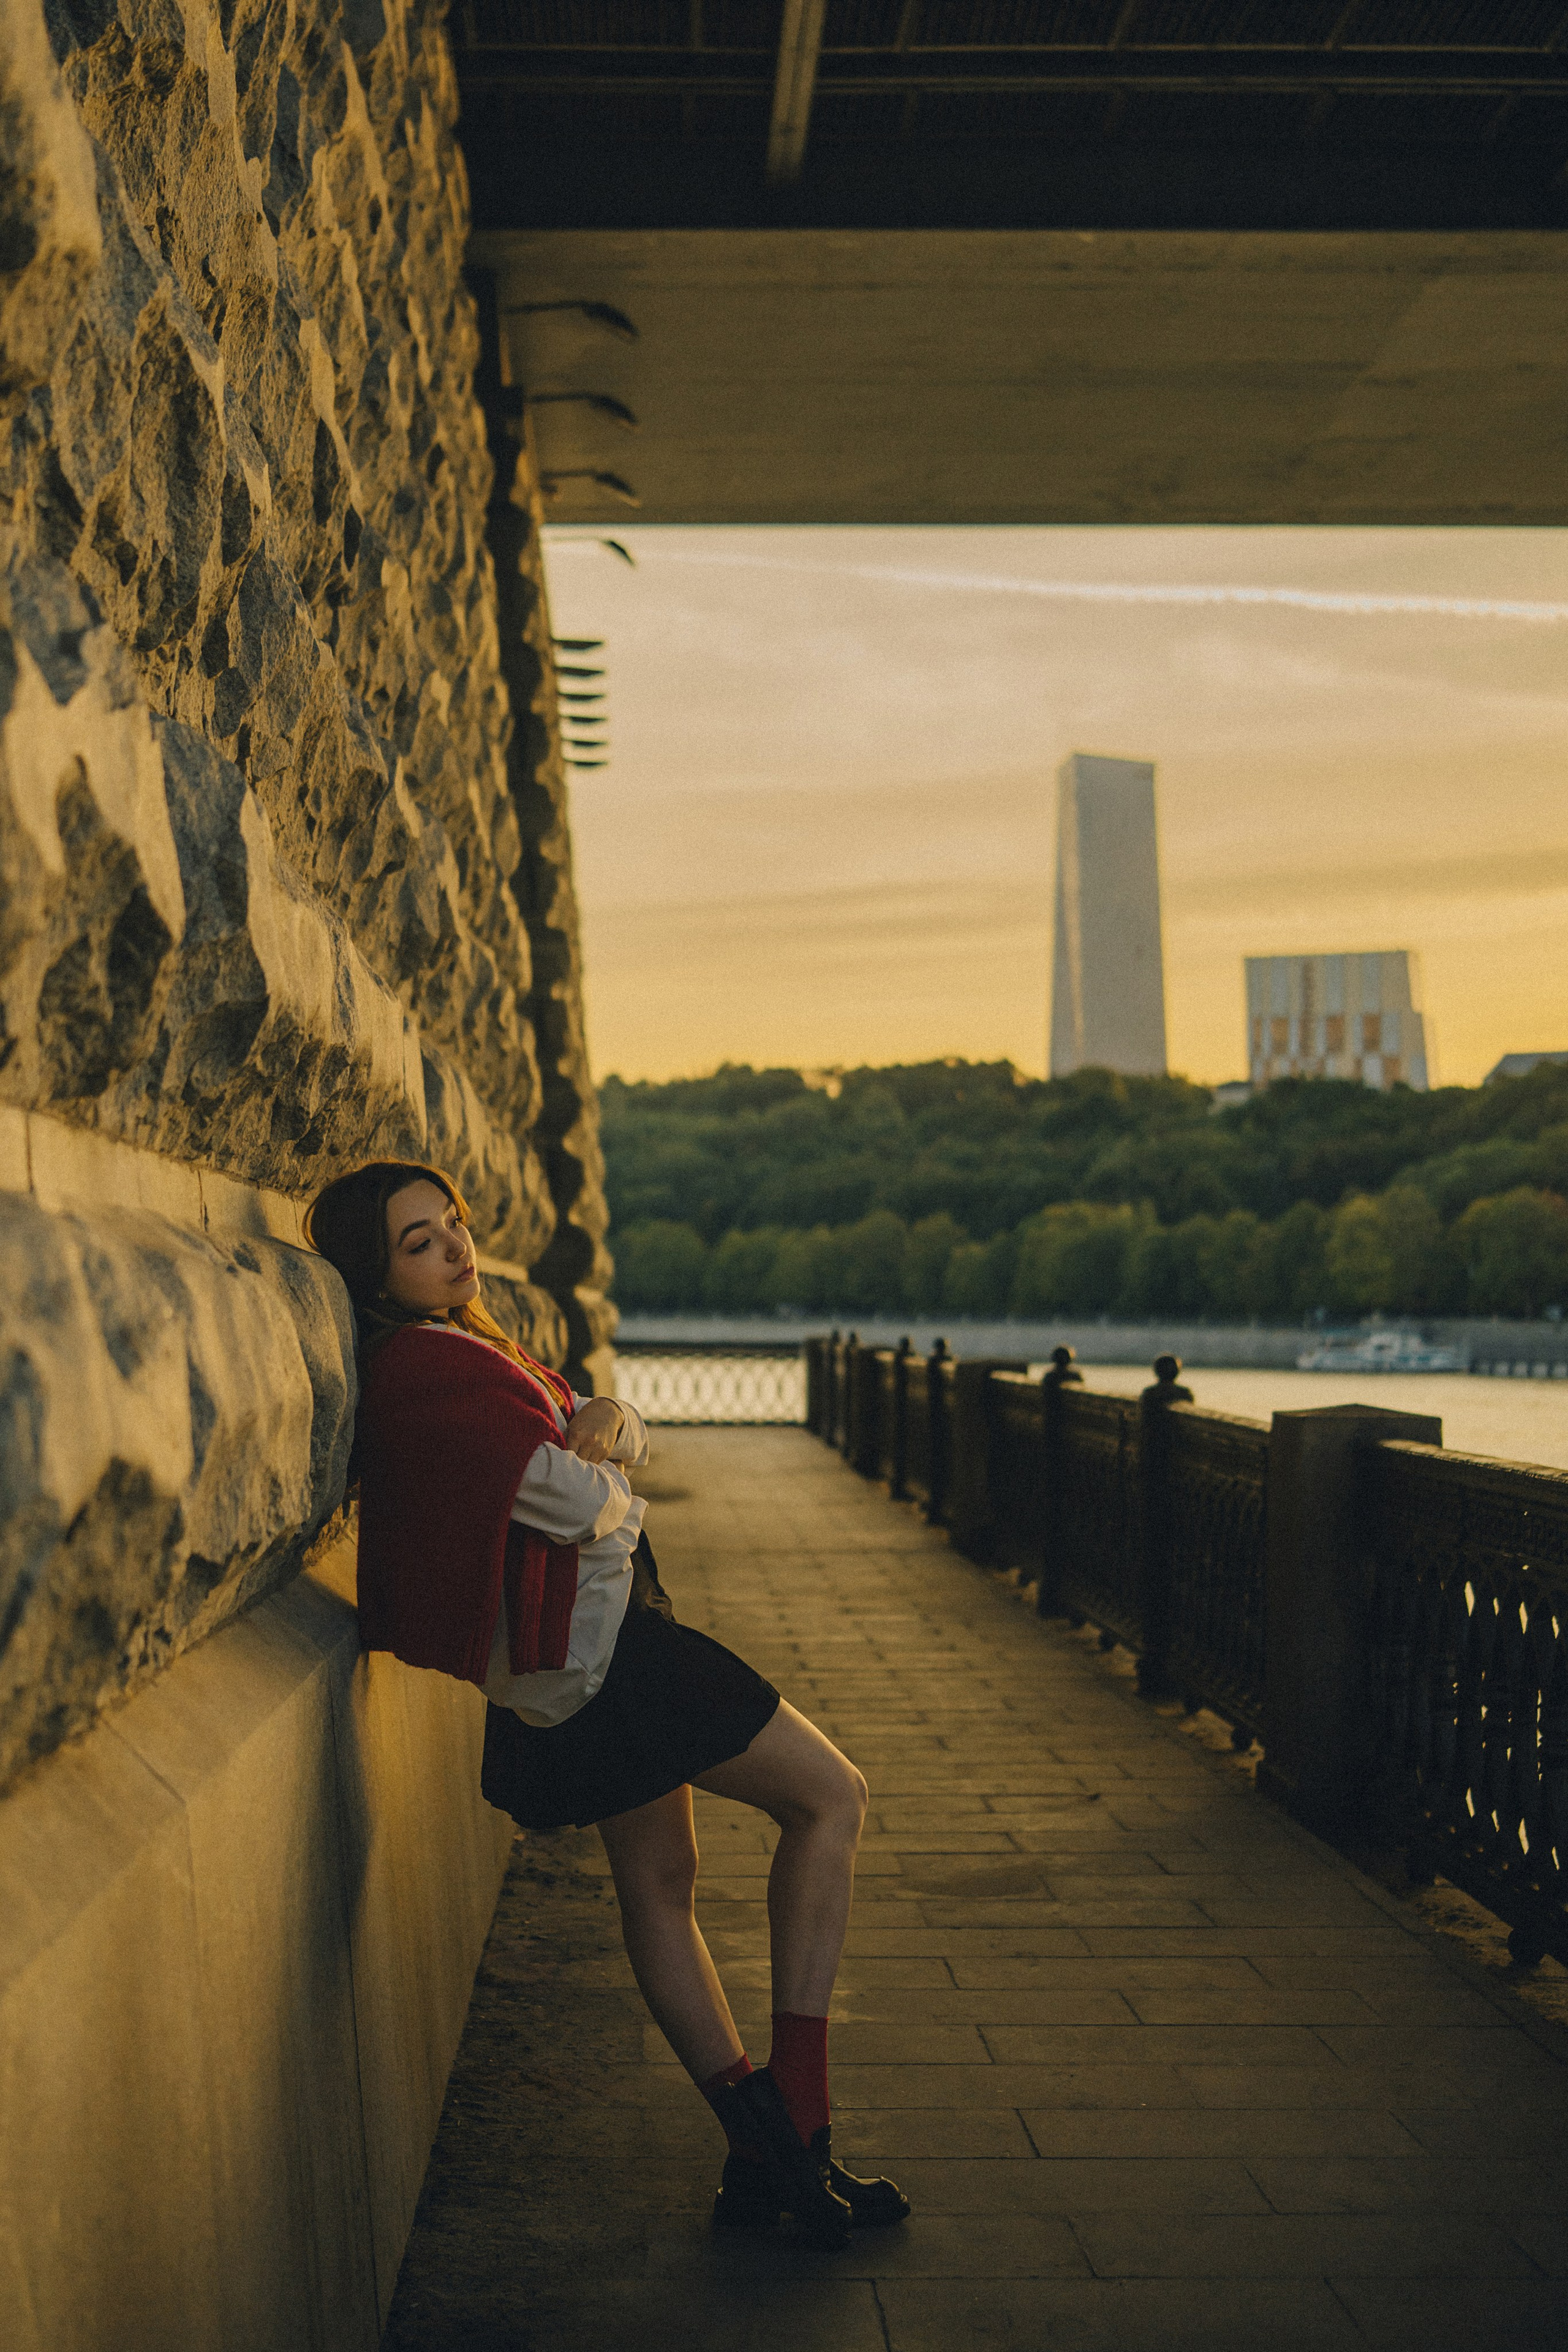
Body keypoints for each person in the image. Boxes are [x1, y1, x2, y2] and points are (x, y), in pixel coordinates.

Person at [305, 1159, 910, 2249]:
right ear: (376, 1274)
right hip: (612, 1656)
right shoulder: (426, 1367)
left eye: (453, 1223)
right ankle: (798, 2124)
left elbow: (604, 1430)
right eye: (418, 1243)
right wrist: (611, 1462)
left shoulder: (470, 1344)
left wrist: (611, 1426)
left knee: (664, 1887)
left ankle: (768, 2160)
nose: (454, 1247)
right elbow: (588, 1501)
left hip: (595, 1647)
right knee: (831, 1798)